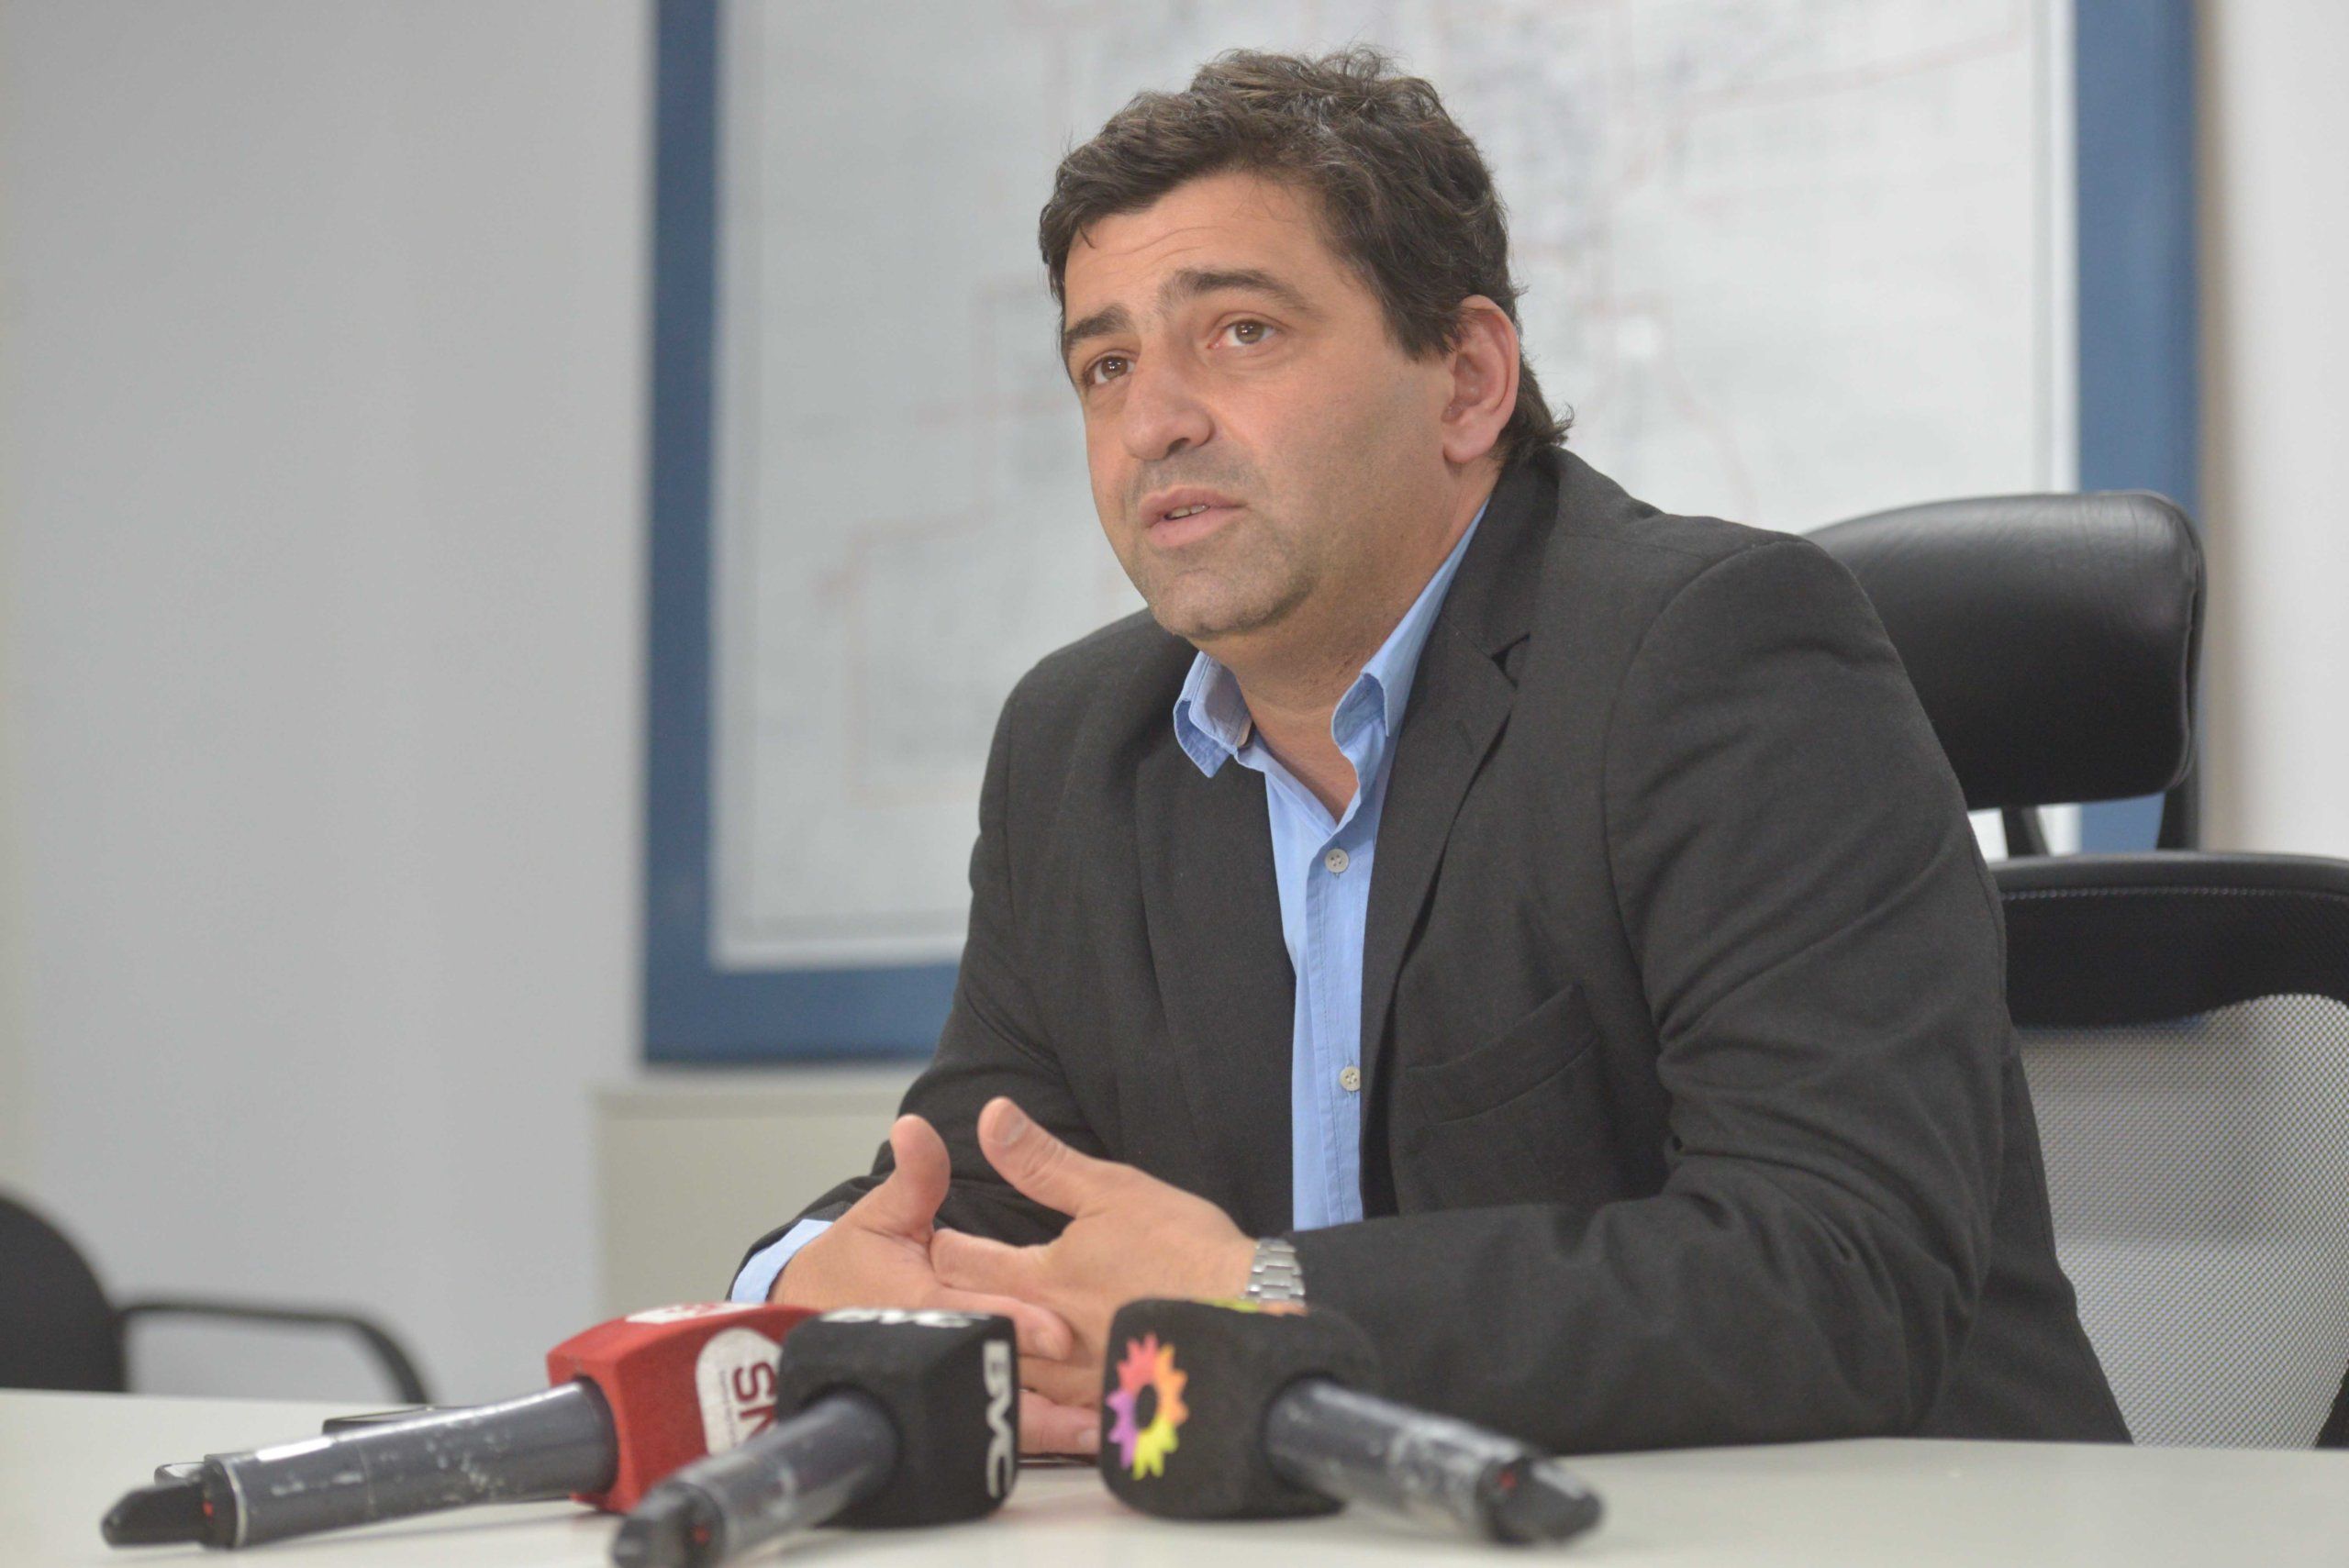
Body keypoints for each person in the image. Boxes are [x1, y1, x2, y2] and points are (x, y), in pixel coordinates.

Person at [730, 47, 2128, 1457]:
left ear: (1466, 381)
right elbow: (982, 1191)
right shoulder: (1077, 749)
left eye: (1240, 333)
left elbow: (1835, 1272)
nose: (1153, 422)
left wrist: (1259, 1299)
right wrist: (806, 1283)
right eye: (1106, 365)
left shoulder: (1718, 660)